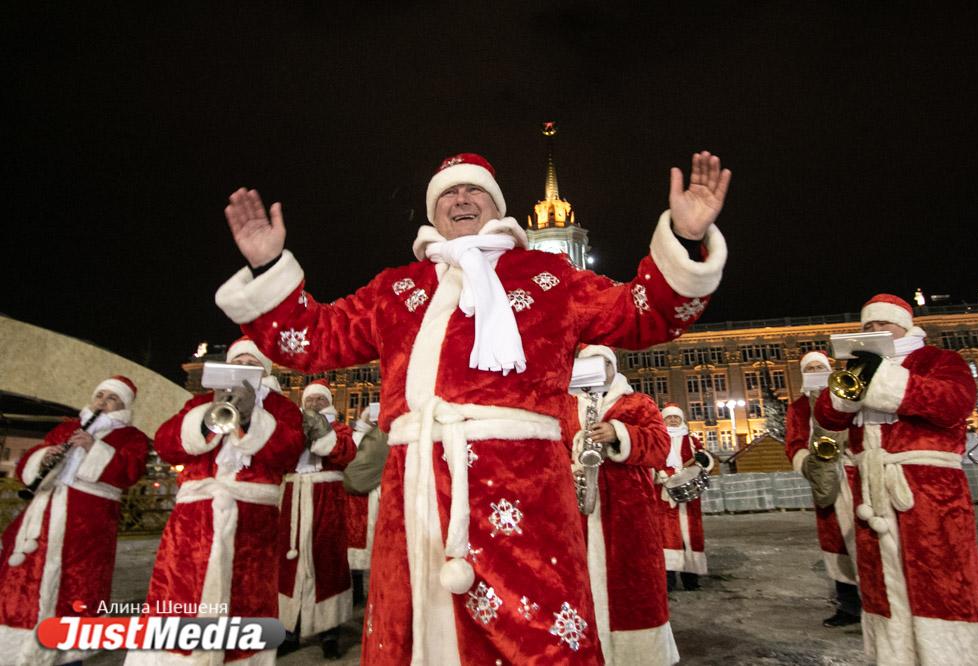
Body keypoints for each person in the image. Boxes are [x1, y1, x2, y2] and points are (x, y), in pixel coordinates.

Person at [215, 150, 730, 664]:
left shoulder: (550, 277)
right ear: (432, 213)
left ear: (497, 205)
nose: (461, 199)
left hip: (524, 496)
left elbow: (642, 314)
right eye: (447, 195)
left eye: (473, 190)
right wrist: (269, 267)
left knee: (537, 637)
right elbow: (313, 339)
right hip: (412, 494)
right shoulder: (396, 288)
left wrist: (684, 240)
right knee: (412, 629)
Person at [814, 294, 978, 665]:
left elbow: (954, 403)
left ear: (906, 326)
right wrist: (850, 389)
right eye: (868, 326)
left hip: (927, 491)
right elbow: (828, 419)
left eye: (883, 324)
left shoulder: (939, 360)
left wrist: (884, 378)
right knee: (881, 588)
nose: (875, 331)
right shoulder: (857, 367)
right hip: (872, 494)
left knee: (941, 586)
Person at [125, 338, 303, 666]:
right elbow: (167, 443)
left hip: (252, 519)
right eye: (239, 363)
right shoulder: (202, 401)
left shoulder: (281, 408)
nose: (245, 370)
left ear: (264, 370)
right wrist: (206, 418)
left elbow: (290, 454)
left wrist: (252, 420)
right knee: (179, 594)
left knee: (245, 598)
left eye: (253, 364)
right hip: (195, 516)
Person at [0, 376, 148, 666]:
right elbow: (27, 462)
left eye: (111, 399)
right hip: (42, 517)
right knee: (22, 586)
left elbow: (130, 472)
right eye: (99, 395)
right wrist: (44, 459)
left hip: (88, 525)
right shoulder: (67, 428)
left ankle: (67, 658)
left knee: (76, 590)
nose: (102, 402)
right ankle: (16, 651)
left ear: (123, 406)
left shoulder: (132, 437)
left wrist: (94, 447)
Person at [568, 345, 676, 665]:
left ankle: (640, 656)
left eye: (602, 365)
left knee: (633, 589)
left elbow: (660, 446)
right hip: (576, 513)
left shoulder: (637, 403)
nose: (596, 371)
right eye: (587, 365)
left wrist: (618, 433)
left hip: (629, 516)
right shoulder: (563, 404)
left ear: (613, 368)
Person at [277, 379, 356, 658]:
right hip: (294, 496)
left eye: (319, 400)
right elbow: (279, 458)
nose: (313, 405)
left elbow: (346, 453)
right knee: (289, 563)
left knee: (327, 561)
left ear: (329, 403)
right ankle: (289, 631)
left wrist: (323, 433)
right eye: (309, 400)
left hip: (327, 498)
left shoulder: (340, 429)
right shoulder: (291, 429)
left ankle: (329, 632)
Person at [784, 350, 859, 627]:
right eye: (810, 368)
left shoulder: (848, 395)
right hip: (826, 477)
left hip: (857, 473)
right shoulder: (798, 407)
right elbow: (794, 442)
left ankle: (880, 603)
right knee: (836, 541)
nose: (816, 371)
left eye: (820, 367)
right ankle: (849, 606)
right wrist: (808, 465)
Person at [655, 404, 710, 591]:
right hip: (665, 496)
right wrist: (663, 475)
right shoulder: (658, 440)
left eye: (676, 418)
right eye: (669, 418)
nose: (672, 420)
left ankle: (691, 580)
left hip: (689, 499)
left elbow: (704, 458)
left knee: (691, 536)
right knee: (667, 537)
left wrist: (703, 460)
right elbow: (651, 462)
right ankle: (668, 580)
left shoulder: (692, 440)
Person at [343, 405, 389, 603]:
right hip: (364, 496)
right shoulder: (366, 436)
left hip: (370, 496)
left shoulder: (373, 437)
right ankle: (362, 591)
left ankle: (364, 592)